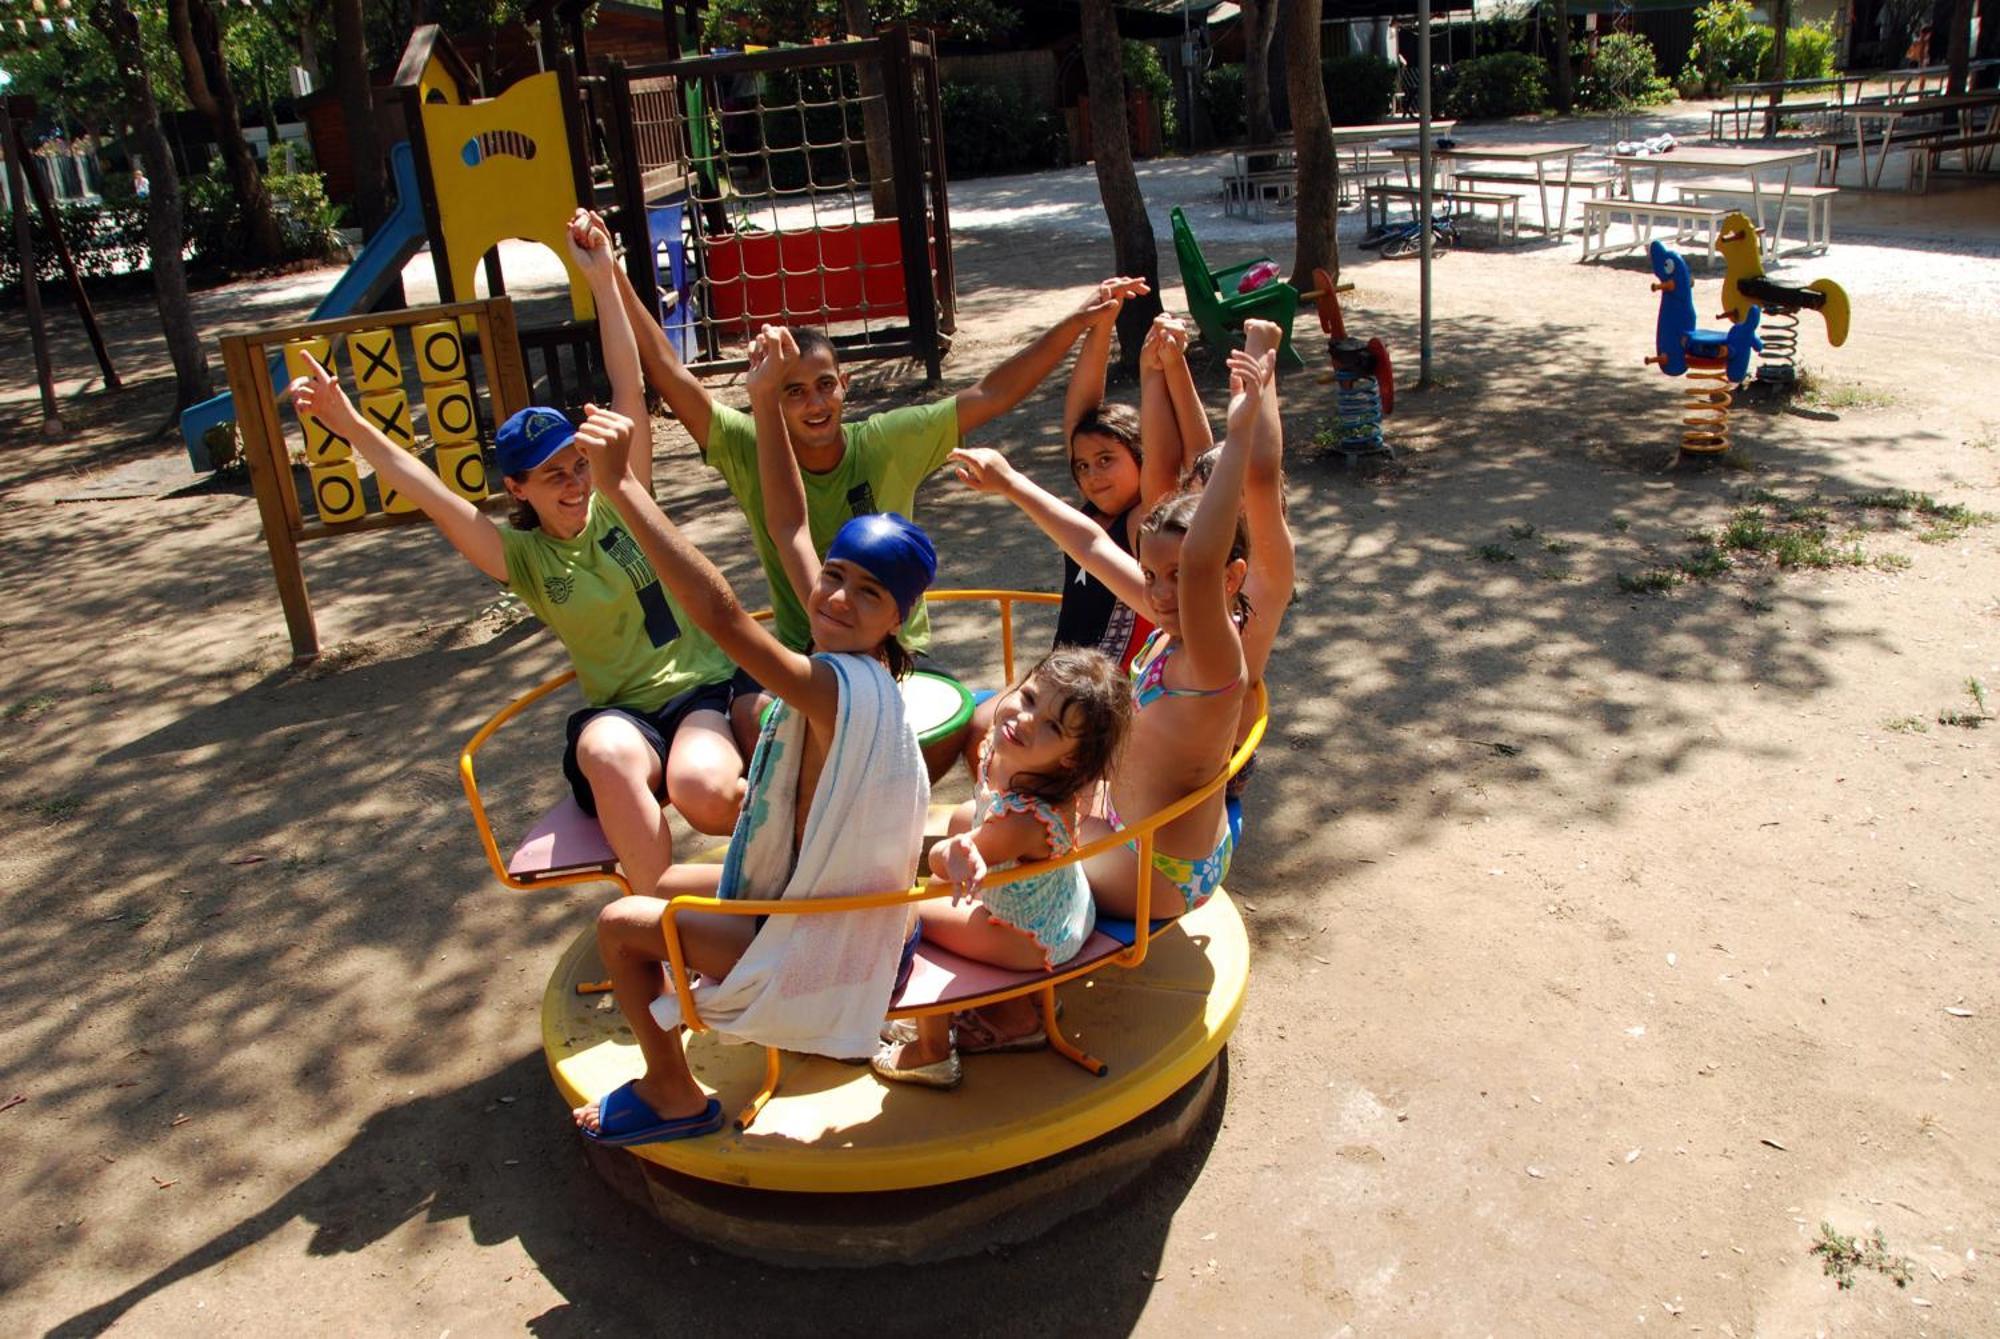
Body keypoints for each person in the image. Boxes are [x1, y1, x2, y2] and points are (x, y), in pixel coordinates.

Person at [287, 211, 748, 905]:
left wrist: (602, 277)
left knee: (706, 792)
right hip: (625, 711)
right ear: (518, 488)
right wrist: (348, 423)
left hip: (699, 692)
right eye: (552, 475)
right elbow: (429, 491)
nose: (573, 482)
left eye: (575, 464)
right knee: (601, 752)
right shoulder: (523, 557)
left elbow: (627, 386)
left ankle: (782, 878)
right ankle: (670, 914)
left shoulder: (625, 492)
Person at [586, 206, 1141, 744]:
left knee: (966, 732)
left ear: (845, 382)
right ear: (770, 397)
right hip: (810, 645)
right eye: (793, 391)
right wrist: (610, 272)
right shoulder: (750, 442)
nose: (814, 403)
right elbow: (667, 371)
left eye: (824, 384)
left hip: (895, 650)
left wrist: (1077, 321)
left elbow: (992, 393)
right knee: (756, 721)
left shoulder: (885, 439)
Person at [568, 392, 938, 1145]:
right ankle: (692, 988)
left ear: (898, 617)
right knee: (666, 884)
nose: (836, 597)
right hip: (825, 900)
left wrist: (623, 488)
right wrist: (767, 402)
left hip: (826, 940)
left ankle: (672, 1091)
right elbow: (789, 525)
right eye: (834, 576)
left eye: (868, 593)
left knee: (620, 923)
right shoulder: (852, 657)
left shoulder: (836, 685)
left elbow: (722, 614)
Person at [950, 331, 1281, 921]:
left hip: (1160, 868)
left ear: (1227, 580)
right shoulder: (1169, 617)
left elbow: (1201, 561)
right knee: (986, 811)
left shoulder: (1213, 654)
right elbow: (1091, 543)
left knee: (1006, 849)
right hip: (1134, 828)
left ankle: (1014, 1003)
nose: (1159, 590)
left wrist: (1241, 430)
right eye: (1151, 574)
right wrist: (1008, 481)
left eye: (1178, 577)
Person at [872, 647, 1132, 1086]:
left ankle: (932, 1049)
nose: (1025, 719)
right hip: (1059, 907)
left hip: (1030, 937)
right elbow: (976, 822)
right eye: (1029, 698)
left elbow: (961, 851)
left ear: (1071, 757)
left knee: (903, 911)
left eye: (1052, 726)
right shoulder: (1014, 755)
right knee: (959, 821)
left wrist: (953, 854)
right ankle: (1016, 1005)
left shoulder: (1022, 820)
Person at [959, 279, 1164, 770]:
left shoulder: (1147, 520)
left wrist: (1160, 371)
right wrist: (1101, 324)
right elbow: (1079, 415)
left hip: (1103, 694)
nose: (1092, 475)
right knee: (978, 730)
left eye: (1107, 460)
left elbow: (1157, 453)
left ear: (1142, 458)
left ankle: (1035, 828)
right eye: (1082, 466)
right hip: (1061, 674)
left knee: (1019, 753)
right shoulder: (1090, 514)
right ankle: (1006, 819)